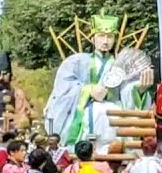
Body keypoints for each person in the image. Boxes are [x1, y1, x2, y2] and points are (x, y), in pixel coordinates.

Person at [44, 13, 154, 150]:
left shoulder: (122, 65)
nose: (105, 41)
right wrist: (88, 90)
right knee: (97, 112)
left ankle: (115, 150)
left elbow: (127, 91)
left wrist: (139, 90)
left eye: (110, 37)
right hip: (85, 110)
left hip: (115, 109)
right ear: (93, 38)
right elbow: (63, 87)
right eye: (101, 36)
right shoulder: (76, 61)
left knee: (111, 114)